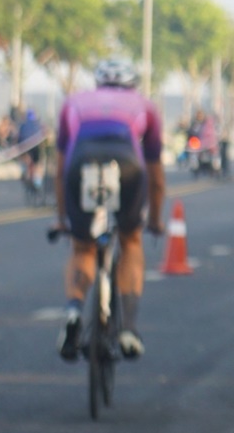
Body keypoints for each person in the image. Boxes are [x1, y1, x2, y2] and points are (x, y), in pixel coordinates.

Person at [55, 59, 165, 360]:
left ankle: (74, 314)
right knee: (130, 241)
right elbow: (155, 176)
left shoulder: (73, 102)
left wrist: (62, 218)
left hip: (81, 162)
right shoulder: (146, 105)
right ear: (132, 84)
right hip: (127, 162)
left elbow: (59, 170)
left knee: (83, 248)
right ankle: (128, 328)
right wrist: (154, 219)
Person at [16, 105, 46, 198]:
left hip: (26, 148)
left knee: (27, 163)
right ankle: (37, 182)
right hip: (36, 147)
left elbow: (19, 138)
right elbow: (43, 135)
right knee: (38, 165)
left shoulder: (23, 124)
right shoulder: (38, 123)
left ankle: (26, 175)